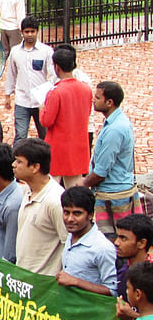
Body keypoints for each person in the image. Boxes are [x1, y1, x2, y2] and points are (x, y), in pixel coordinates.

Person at [84, 81, 142, 239]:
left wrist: (83, 185)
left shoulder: (114, 129)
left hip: (113, 197)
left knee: (114, 243)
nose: (93, 100)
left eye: (97, 97)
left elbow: (101, 172)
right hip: (119, 191)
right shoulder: (118, 122)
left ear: (109, 102)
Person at [39, 44, 92, 189]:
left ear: (57, 67)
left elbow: (46, 121)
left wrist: (41, 107)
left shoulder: (56, 92)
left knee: (51, 189)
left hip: (58, 147)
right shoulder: (86, 89)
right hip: (78, 145)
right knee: (75, 191)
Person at [13, 138, 68, 276]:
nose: (14, 165)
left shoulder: (55, 201)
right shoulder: (27, 191)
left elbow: (67, 242)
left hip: (43, 284)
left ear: (35, 167)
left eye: (19, 162)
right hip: (23, 279)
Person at [54, 186, 118, 296]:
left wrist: (76, 282)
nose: (70, 219)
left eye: (77, 213)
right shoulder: (71, 236)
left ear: (90, 215)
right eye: (66, 212)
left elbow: (112, 291)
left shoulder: (102, 248)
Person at [4, 15, 55, 145]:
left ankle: (48, 163)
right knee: (20, 136)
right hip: (22, 99)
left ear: (37, 31)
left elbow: (53, 75)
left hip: (41, 102)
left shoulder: (46, 51)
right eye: (27, 32)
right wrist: (8, 95)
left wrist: (49, 95)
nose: (30, 35)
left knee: (45, 136)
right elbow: (11, 74)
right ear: (22, 33)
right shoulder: (15, 52)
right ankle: (16, 163)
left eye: (33, 31)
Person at [115, 214, 153, 319]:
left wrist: (132, 316)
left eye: (123, 238)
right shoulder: (120, 269)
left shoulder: (151, 275)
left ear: (141, 243)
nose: (116, 243)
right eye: (117, 236)